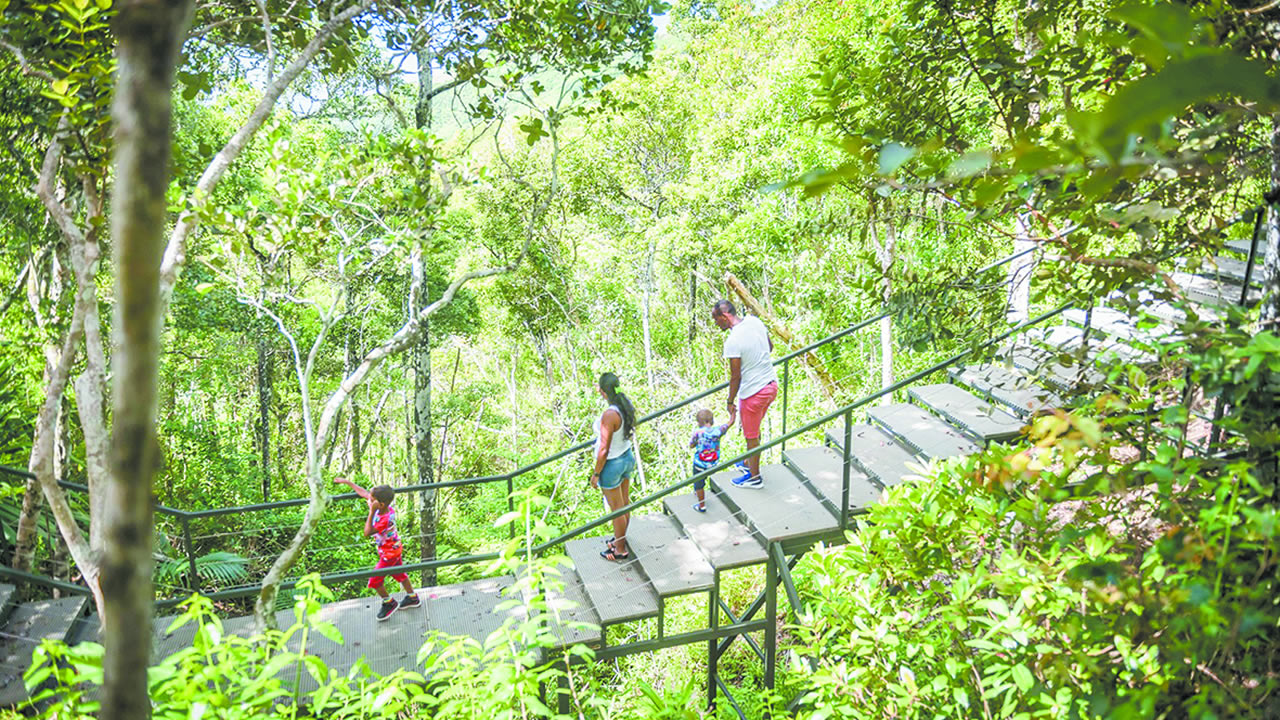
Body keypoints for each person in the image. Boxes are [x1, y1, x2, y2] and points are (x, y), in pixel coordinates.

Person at [333, 476, 421, 620]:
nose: (369, 500)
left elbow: (367, 532)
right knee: (400, 573)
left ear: (380, 504)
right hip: (394, 548)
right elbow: (364, 493)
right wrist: (347, 482)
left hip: (389, 554)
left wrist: (371, 512)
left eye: (372, 500)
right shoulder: (384, 507)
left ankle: (389, 602)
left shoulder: (384, 519)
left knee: (374, 581)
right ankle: (412, 597)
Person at [712, 299, 778, 488]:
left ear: (725, 316)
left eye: (716, 319)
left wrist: (730, 401)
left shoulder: (733, 341)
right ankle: (749, 462)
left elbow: (736, 376)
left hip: (753, 393)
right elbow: (770, 347)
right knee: (755, 430)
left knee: (751, 436)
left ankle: (754, 477)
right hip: (770, 385)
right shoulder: (754, 321)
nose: (716, 323)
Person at [591, 372, 638, 561]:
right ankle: (620, 539)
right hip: (626, 457)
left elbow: (604, 448)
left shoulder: (610, 415)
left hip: (612, 464)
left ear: (603, 392)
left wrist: (596, 473)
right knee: (624, 503)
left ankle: (619, 549)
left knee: (617, 509)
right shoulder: (624, 405)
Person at [689, 409, 733, 512]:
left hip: (700, 464)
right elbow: (730, 423)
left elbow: (691, 445)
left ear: (699, 422)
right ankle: (698, 492)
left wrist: (697, 443)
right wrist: (733, 413)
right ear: (712, 421)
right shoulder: (718, 431)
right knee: (704, 478)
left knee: (698, 483)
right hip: (713, 463)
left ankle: (702, 505)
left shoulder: (698, 432)